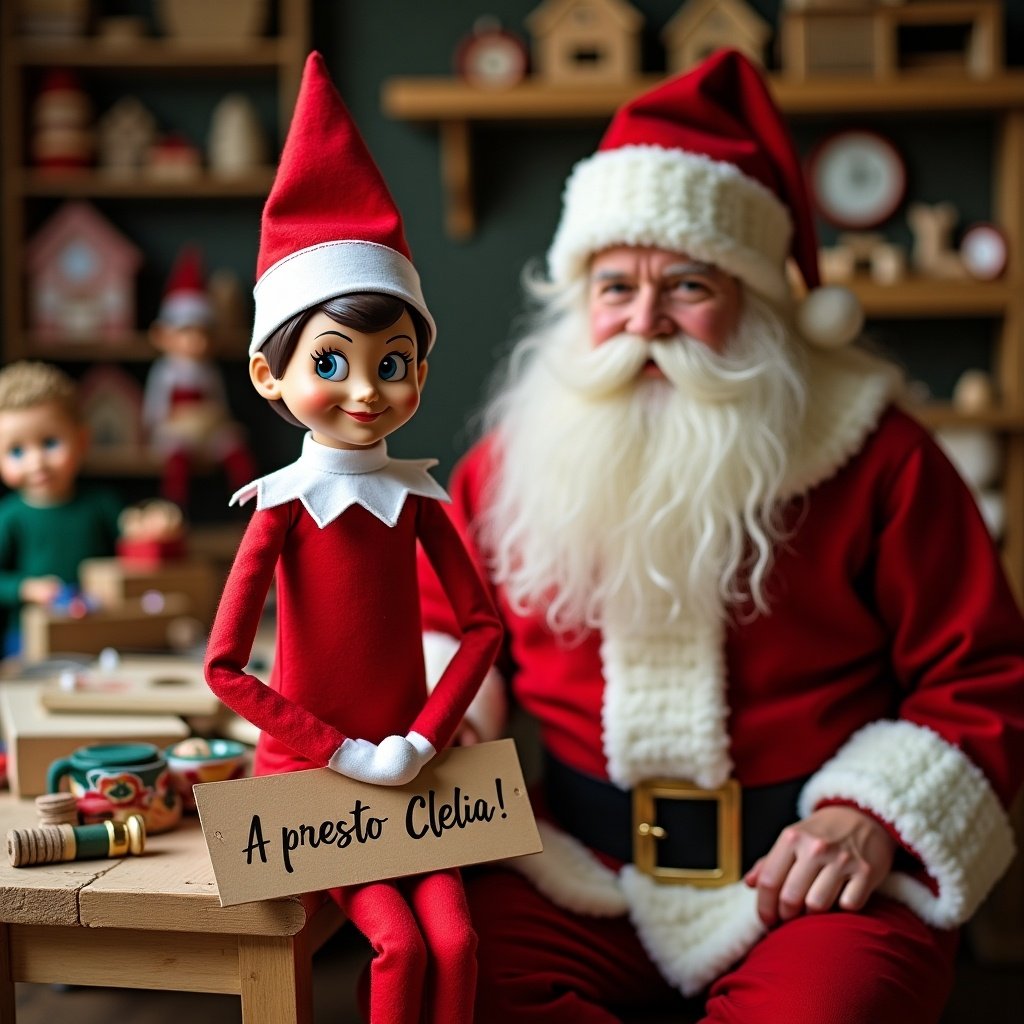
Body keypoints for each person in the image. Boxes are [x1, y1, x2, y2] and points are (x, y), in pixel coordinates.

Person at [417, 50, 1024, 1023]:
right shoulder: (510, 462)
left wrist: (867, 818)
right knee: (451, 983)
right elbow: (448, 631)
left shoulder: (879, 457)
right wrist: (446, 722)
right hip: (569, 864)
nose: (644, 321)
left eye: (689, 284)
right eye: (614, 285)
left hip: (809, 878)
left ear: (756, 300)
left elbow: (984, 675)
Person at [203, 53, 502, 1024]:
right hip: (314, 780)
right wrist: (341, 751)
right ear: (267, 373)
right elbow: (225, 670)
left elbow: (483, 627)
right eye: (332, 361)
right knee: (399, 940)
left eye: (394, 361)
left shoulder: (418, 501)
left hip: (417, 767)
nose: (368, 390)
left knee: (457, 938)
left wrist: (422, 735)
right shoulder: (280, 509)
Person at [0, 361, 121, 655]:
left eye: (50, 443)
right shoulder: (11, 515)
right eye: (17, 451)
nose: (36, 462)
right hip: (29, 636)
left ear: (81, 441)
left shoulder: (100, 504)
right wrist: (27, 588)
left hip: (97, 628)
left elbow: (132, 549)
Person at [143, 245, 257, 510]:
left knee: (233, 445)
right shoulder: (165, 371)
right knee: (177, 454)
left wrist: (219, 421)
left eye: (203, 333)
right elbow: (155, 405)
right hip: (176, 428)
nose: (196, 341)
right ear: (164, 336)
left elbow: (218, 402)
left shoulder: (209, 370)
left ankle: (246, 497)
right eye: (186, 333)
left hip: (207, 428)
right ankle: (176, 503)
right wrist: (154, 425)